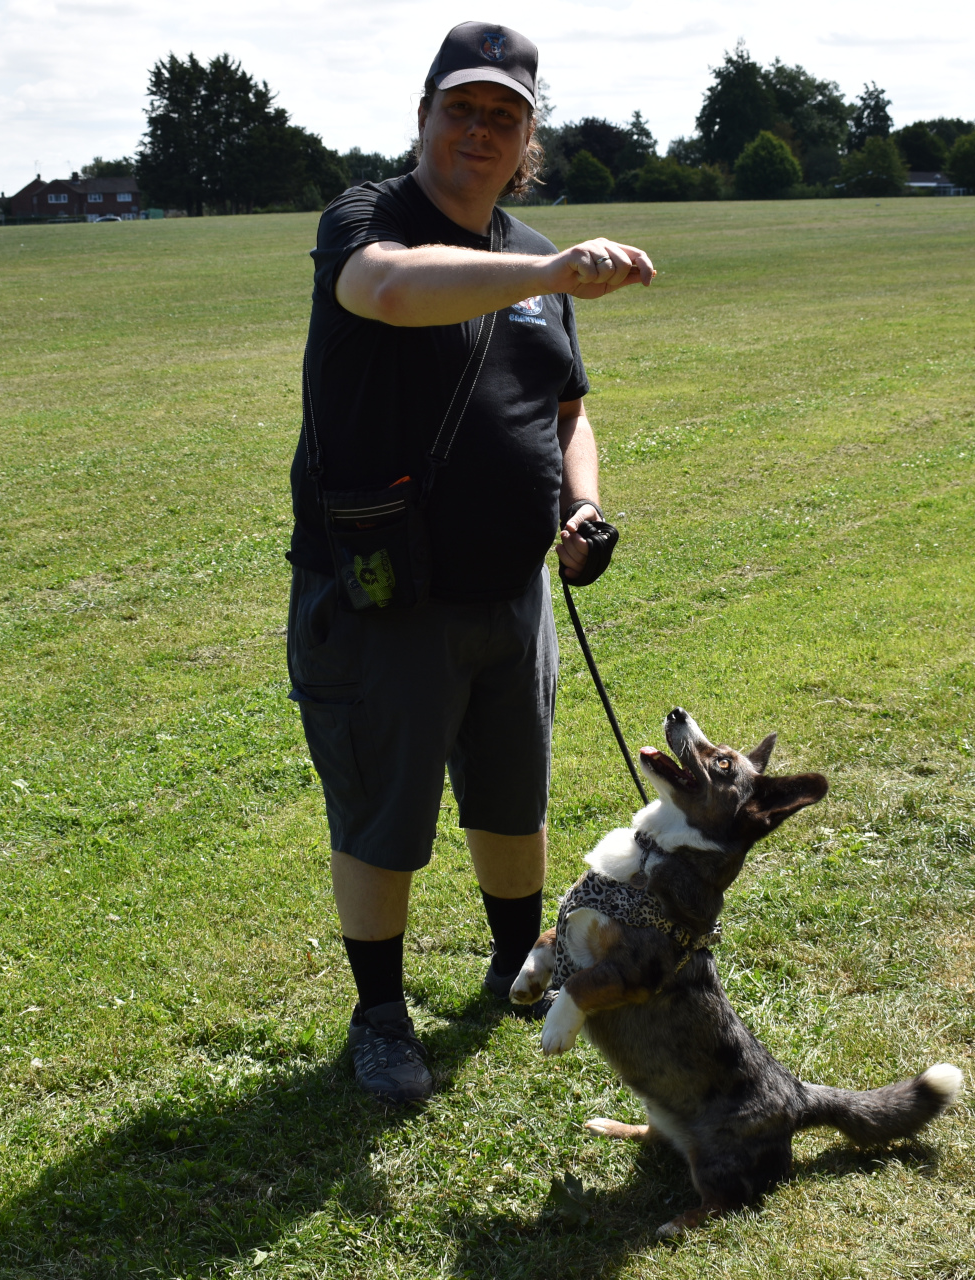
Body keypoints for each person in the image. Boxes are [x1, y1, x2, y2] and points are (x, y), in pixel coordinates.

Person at [287, 21, 656, 1103]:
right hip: (385, 591)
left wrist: (582, 506)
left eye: (506, 116)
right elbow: (391, 291)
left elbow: (567, 410)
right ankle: (381, 1013)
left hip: (512, 584)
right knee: (384, 809)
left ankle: (512, 963)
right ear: (425, 115)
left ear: (528, 137)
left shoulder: (534, 253)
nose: (481, 132)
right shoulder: (367, 220)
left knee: (512, 792)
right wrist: (543, 266)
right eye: (464, 108)